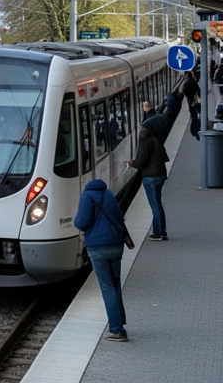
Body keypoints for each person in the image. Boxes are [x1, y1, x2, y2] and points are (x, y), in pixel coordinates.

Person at [74, 178, 129, 341]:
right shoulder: (108, 194)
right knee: (115, 283)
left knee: (107, 286)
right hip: (116, 245)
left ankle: (117, 329)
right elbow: (119, 217)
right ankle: (120, 323)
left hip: (98, 247)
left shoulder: (86, 197)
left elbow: (81, 223)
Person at [127, 126, 170, 241]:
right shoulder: (156, 140)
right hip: (160, 174)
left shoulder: (144, 142)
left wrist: (131, 163)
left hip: (151, 177)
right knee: (158, 204)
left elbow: (140, 162)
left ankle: (159, 233)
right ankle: (161, 231)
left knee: (155, 205)